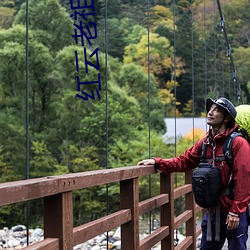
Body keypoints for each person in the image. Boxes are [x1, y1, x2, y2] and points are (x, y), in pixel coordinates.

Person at [137, 97, 250, 250]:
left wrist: (236, 212)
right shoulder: (205, 143)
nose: (210, 112)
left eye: (216, 110)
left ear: (227, 118)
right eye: (210, 109)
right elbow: (184, 161)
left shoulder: (238, 143)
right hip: (213, 211)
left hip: (233, 211)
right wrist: (157, 162)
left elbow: (244, 178)